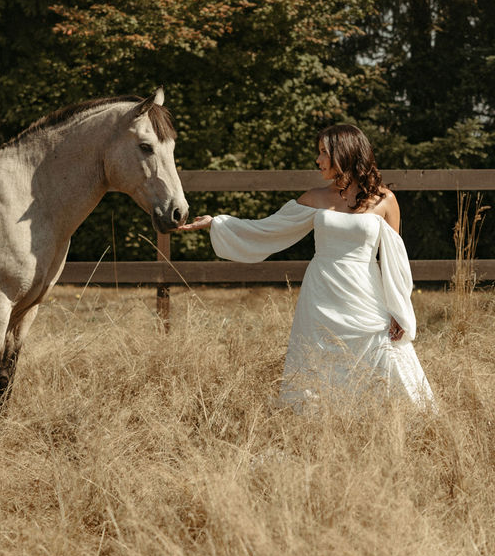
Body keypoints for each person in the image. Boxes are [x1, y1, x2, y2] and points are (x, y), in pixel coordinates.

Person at [176, 124, 434, 410]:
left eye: (324, 153)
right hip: (322, 293)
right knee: (319, 358)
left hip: (366, 293)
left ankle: (393, 420)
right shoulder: (315, 197)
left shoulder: (385, 200)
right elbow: (268, 229)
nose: (318, 160)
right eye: (319, 153)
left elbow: (394, 261)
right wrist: (217, 222)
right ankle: (316, 421)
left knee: (383, 352)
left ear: (345, 153)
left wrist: (398, 309)